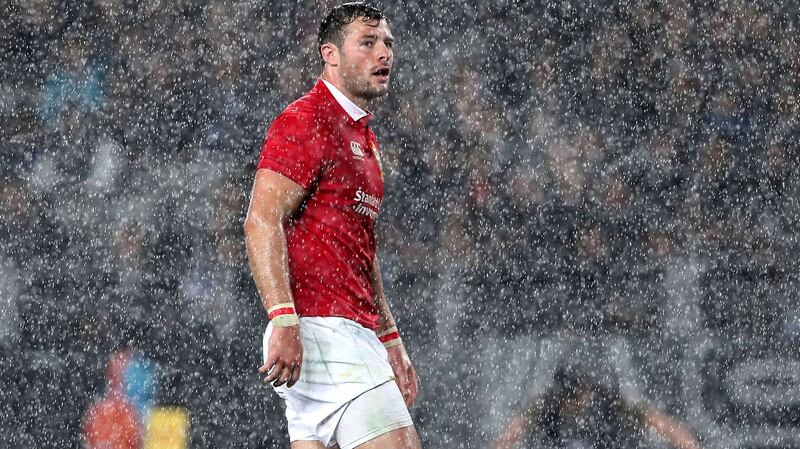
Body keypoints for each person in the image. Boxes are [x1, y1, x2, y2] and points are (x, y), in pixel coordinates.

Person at [243, 3, 421, 449]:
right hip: (324, 333)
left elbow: (360, 249)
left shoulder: (364, 138)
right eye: (368, 42)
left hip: (344, 333)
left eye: (387, 43)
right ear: (331, 54)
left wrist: (389, 337)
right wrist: (283, 318)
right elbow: (261, 220)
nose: (384, 53)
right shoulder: (306, 120)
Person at [492, 363, 702, 449]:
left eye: (577, 398)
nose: (572, 405)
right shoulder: (546, 406)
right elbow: (508, 436)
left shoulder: (611, 401)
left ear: (586, 391)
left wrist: (688, 445)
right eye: (566, 401)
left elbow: (661, 423)